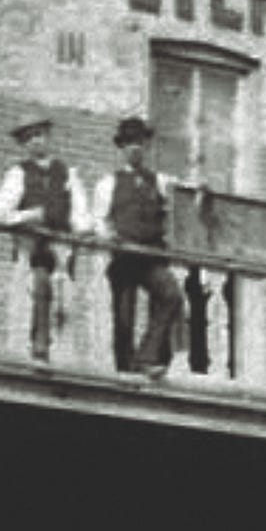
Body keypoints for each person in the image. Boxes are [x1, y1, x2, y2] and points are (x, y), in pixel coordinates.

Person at [92, 116, 185, 379]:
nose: (135, 148)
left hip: (151, 257)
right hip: (124, 257)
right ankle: (124, 371)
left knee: (171, 295)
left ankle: (147, 356)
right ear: (121, 148)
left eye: (140, 142)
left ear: (146, 146)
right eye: (129, 143)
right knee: (124, 317)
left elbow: (183, 198)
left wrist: (200, 188)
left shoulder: (160, 181)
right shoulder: (108, 183)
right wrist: (110, 236)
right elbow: (98, 219)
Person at [0, 116, 90, 361]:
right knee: (40, 283)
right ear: (23, 145)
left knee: (65, 297)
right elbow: (0, 212)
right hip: (33, 248)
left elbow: (80, 212)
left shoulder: (66, 172)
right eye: (28, 138)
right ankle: (40, 343)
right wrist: (29, 215)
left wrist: (81, 229)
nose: (35, 141)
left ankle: (64, 353)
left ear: (47, 137)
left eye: (39, 135)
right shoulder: (18, 173)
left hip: (62, 248)